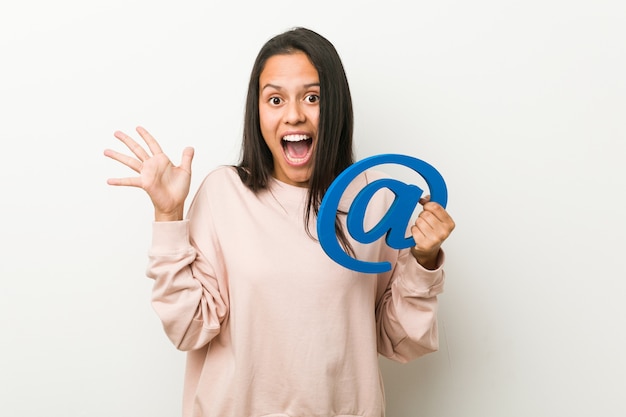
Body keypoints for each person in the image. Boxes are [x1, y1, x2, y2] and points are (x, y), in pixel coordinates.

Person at [104, 27, 455, 417]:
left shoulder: (374, 201)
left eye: (312, 97)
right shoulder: (224, 193)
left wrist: (424, 261)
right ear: (257, 110)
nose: (293, 115)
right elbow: (189, 329)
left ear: (336, 106)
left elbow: (401, 343)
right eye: (275, 99)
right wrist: (169, 215)